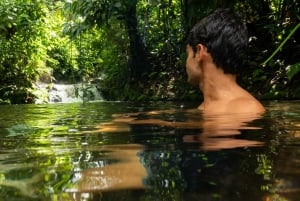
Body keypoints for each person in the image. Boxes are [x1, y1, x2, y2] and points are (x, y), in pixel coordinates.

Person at [186, 8, 265, 115]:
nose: (186, 62)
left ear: (200, 52)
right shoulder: (203, 108)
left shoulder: (245, 109)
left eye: (188, 54)